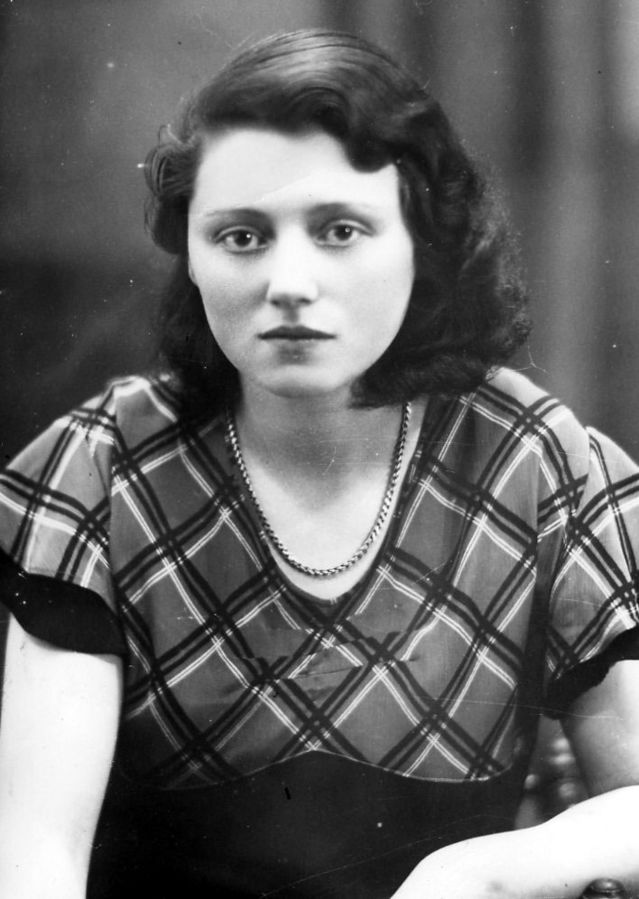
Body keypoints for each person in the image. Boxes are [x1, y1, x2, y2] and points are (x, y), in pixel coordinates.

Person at [0, 28, 638, 899]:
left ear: (423, 244)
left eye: (340, 229)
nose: (289, 281)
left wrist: (477, 870)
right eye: (240, 236)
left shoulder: (532, 460)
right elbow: (33, 866)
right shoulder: (106, 469)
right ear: (190, 255)